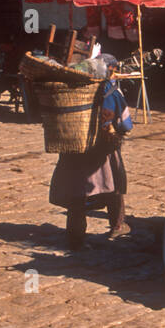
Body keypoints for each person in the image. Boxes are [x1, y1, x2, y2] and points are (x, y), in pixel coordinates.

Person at [48, 55, 132, 249]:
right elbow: (126, 124)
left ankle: (75, 238)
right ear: (110, 69)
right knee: (115, 185)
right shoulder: (111, 91)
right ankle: (117, 225)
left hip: (73, 150)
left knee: (76, 193)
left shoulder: (72, 88)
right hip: (102, 151)